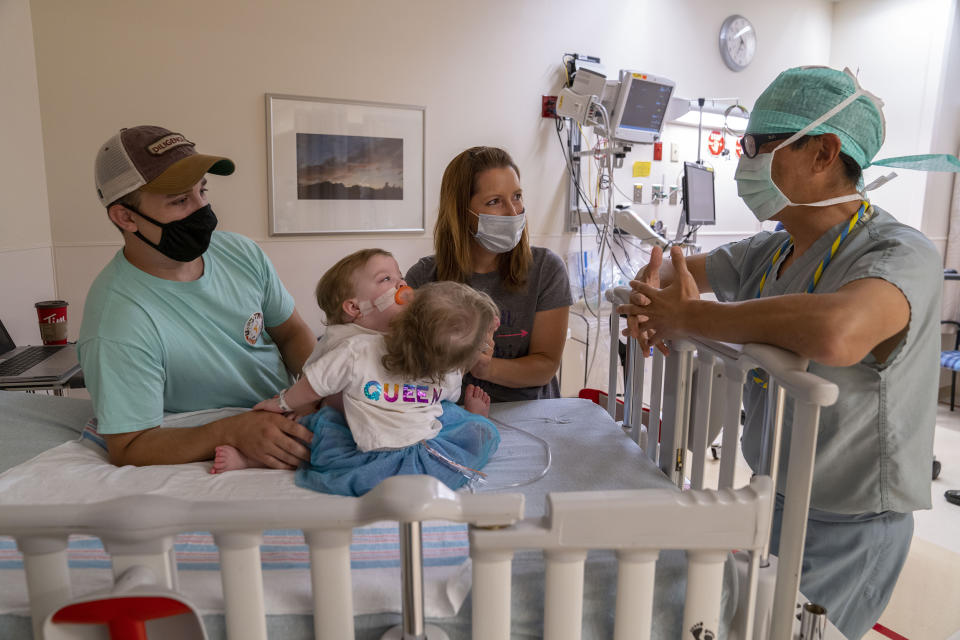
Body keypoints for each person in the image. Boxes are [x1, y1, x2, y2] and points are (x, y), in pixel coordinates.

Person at [620, 66, 960, 639]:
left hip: (852, 521)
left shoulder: (901, 252)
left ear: (824, 152)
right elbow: (669, 280)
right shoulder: (770, 251)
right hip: (773, 494)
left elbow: (840, 332)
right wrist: (653, 304)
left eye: (755, 146)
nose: (741, 161)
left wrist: (695, 318)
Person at [80, 125, 316, 469]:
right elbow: (129, 446)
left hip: (284, 412)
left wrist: (319, 389)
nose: (202, 210)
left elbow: (292, 333)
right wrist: (234, 431)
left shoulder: (241, 253)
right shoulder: (117, 320)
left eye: (202, 191)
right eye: (179, 200)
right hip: (205, 439)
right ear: (126, 216)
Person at [242, 280, 501, 496]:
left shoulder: (358, 349)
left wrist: (282, 403)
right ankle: (475, 420)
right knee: (453, 414)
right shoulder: (448, 374)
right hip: (424, 461)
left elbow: (313, 386)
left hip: (364, 462)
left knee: (317, 424)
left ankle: (249, 460)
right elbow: (450, 397)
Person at [405, 146, 572, 402]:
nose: (513, 211)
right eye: (494, 201)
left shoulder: (546, 269)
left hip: (533, 419)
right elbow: (410, 367)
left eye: (516, 196)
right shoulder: (424, 278)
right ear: (462, 211)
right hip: (453, 421)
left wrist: (485, 366)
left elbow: (545, 366)